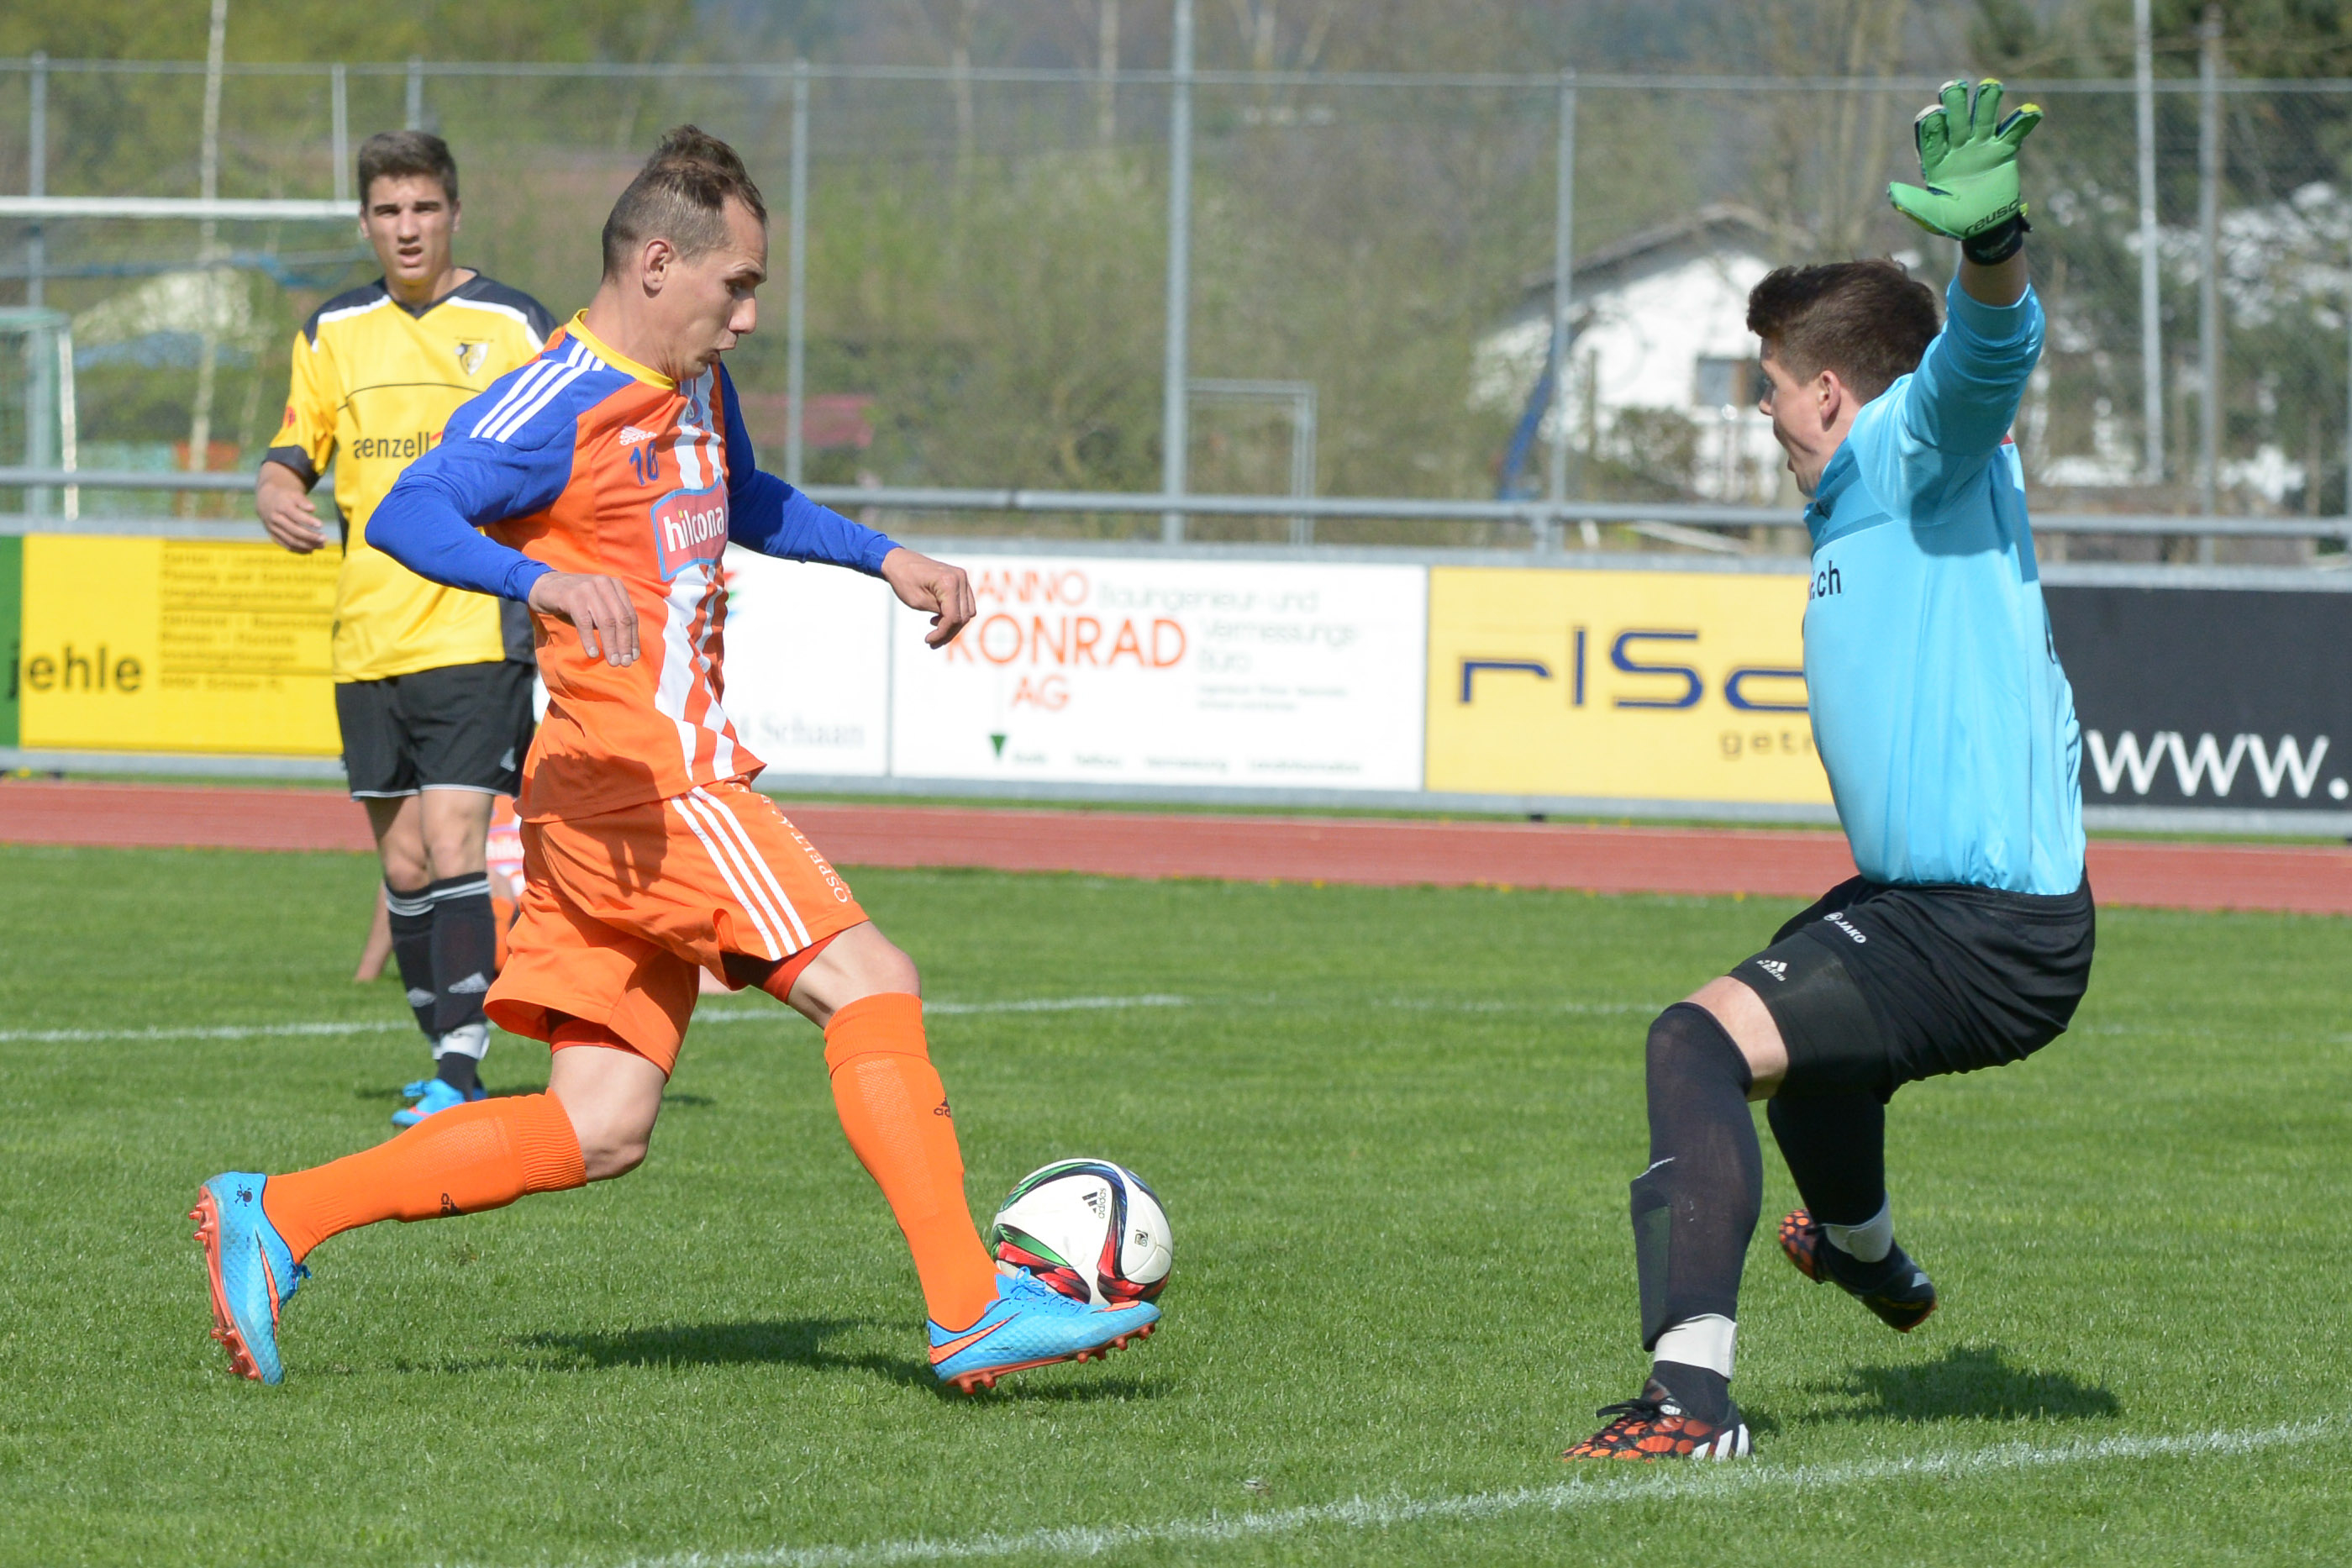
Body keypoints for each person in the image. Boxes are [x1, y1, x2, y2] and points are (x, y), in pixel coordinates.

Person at [193, 126, 1159, 1392]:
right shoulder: (556, 397)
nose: (747, 317)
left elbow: (746, 497)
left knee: (600, 1125)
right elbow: (412, 506)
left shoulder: (694, 382)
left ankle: (278, 1215)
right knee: (872, 980)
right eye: (736, 285)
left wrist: (887, 558)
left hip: (599, 801)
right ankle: (969, 1309)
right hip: (652, 780)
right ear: (657, 263)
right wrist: (538, 578)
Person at [1564, 79, 2092, 1461]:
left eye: (1765, 388)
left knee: (1690, 1042)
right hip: (1935, 905)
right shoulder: (1863, 496)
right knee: (1798, 1069)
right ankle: (1866, 1258)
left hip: (1984, 927)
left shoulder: (1914, 449)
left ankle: (1690, 1400)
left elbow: (1984, 353)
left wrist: (1990, 248)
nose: (1759, 414)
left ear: (1827, 391)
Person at [258, 130, 555, 1125]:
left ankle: (461, 1075)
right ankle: (445, 1060)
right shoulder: (331, 331)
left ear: (455, 213)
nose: (408, 227)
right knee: (404, 866)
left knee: (455, 836)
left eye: (424, 207)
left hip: (476, 631)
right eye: (388, 211)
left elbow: (568, 448)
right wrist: (273, 489)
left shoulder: (514, 326)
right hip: (367, 637)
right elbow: (294, 450)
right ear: (365, 223)